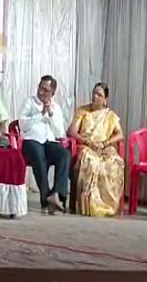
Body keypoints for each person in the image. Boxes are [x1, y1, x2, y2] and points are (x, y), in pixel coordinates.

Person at [67, 82, 125, 217]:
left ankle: (108, 206)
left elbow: (120, 134)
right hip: (86, 145)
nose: (95, 96)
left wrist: (105, 143)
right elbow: (72, 131)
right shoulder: (83, 111)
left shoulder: (110, 115)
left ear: (105, 99)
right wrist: (88, 142)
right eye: (94, 93)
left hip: (103, 147)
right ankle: (89, 206)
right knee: (91, 162)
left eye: (99, 95)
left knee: (115, 162)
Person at [18, 76, 70, 213]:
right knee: (38, 153)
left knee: (64, 154)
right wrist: (40, 114)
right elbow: (22, 124)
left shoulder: (56, 108)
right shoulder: (29, 102)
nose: (41, 92)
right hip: (31, 140)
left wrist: (51, 114)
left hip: (49, 142)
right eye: (40, 88)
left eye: (45, 90)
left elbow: (60, 133)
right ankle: (46, 197)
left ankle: (56, 194)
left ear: (52, 93)